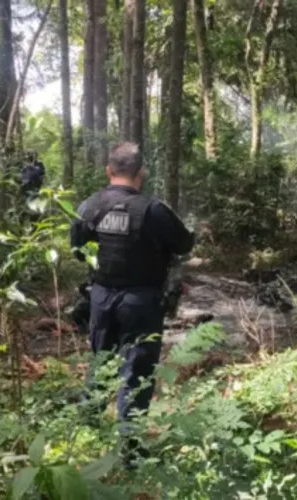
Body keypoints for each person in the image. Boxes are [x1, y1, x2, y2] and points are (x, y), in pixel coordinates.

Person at [69, 142, 195, 467]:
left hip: (100, 297)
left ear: (109, 171)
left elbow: (76, 246)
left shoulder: (89, 206)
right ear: (141, 174)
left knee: (101, 361)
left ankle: (85, 436)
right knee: (137, 372)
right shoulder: (153, 210)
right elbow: (184, 243)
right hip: (141, 301)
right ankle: (130, 450)